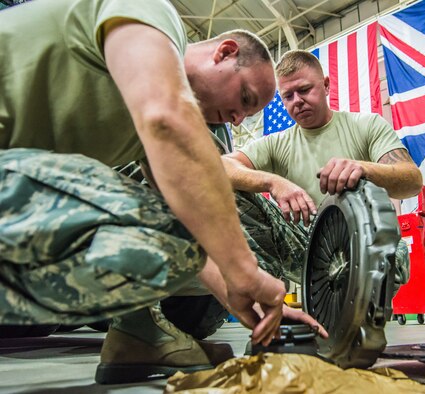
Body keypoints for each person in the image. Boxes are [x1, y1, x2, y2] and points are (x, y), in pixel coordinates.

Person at [0, 0, 325, 385]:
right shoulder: (150, 10)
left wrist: (245, 302)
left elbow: (183, 225)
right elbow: (167, 121)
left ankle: (138, 334)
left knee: (179, 227)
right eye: (244, 99)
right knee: (171, 231)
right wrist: (245, 271)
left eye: (245, 116)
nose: (238, 119)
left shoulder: (132, 131)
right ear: (225, 52)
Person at [222, 50, 423, 290]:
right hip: (310, 246)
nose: (297, 100)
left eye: (305, 90)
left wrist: (361, 168)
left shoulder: (366, 125)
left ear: (326, 85)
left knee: (389, 255)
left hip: (364, 242)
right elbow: (221, 166)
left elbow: (412, 181)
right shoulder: (277, 143)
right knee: (229, 191)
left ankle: (353, 294)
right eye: (287, 96)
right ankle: (267, 292)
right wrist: (274, 183)